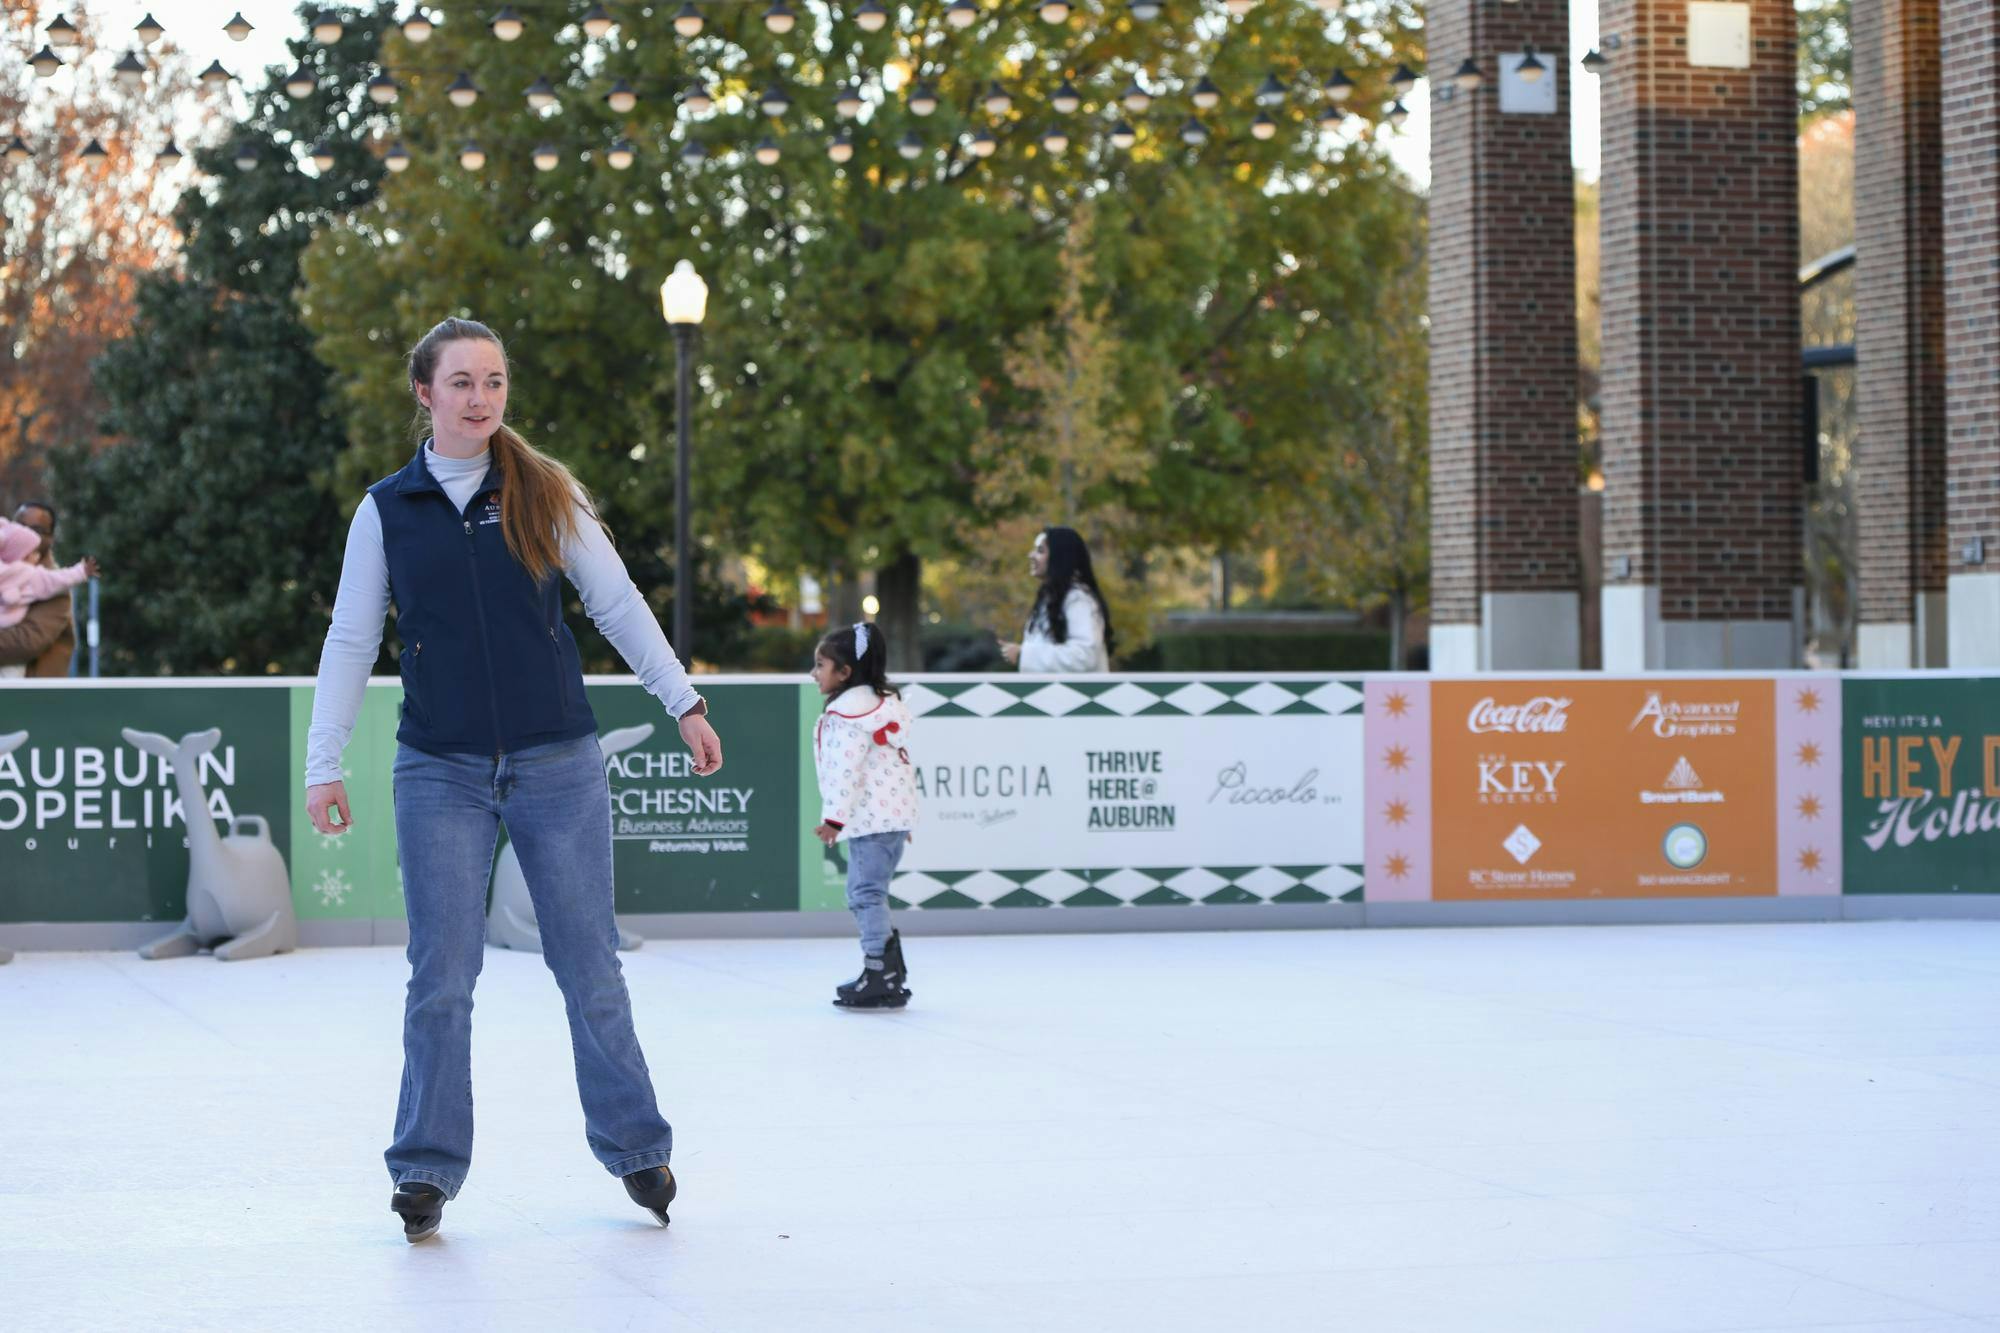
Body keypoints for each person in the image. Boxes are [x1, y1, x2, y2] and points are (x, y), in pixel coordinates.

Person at [304, 317, 723, 1243]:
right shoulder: (387, 509)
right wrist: (321, 762)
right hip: (438, 767)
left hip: (556, 761)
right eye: (460, 382)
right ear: (424, 393)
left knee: (589, 964)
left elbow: (616, 602)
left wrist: (682, 701)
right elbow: (348, 639)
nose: (480, 398)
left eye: (493, 382)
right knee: (441, 973)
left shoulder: (541, 490)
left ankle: (636, 1145)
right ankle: (424, 1167)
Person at [810, 622, 917, 1010]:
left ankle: (880, 972)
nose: (814, 673)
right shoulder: (879, 708)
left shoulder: (847, 716)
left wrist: (834, 818)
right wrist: (901, 818)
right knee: (870, 892)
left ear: (845, 673)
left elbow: (844, 770)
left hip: (872, 821)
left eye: (821, 665)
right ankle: (889, 970)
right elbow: (899, 767)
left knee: (864, 894)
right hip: (889, 819)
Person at [998, 525, 1115, 673]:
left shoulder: (1078, 599)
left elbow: (1084, 656)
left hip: (1076, 695)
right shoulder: (1052, 599)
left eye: (1040, 551)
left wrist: (1024, 654)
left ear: (1059, 557)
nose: (1031, 555)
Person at [0, 515, 95, 679]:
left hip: (24, 676)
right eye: (21, 524)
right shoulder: (17, 572)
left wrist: (81, 572)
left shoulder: (40, 581)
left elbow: (27, 643)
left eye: (37, 528)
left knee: (11, 680)